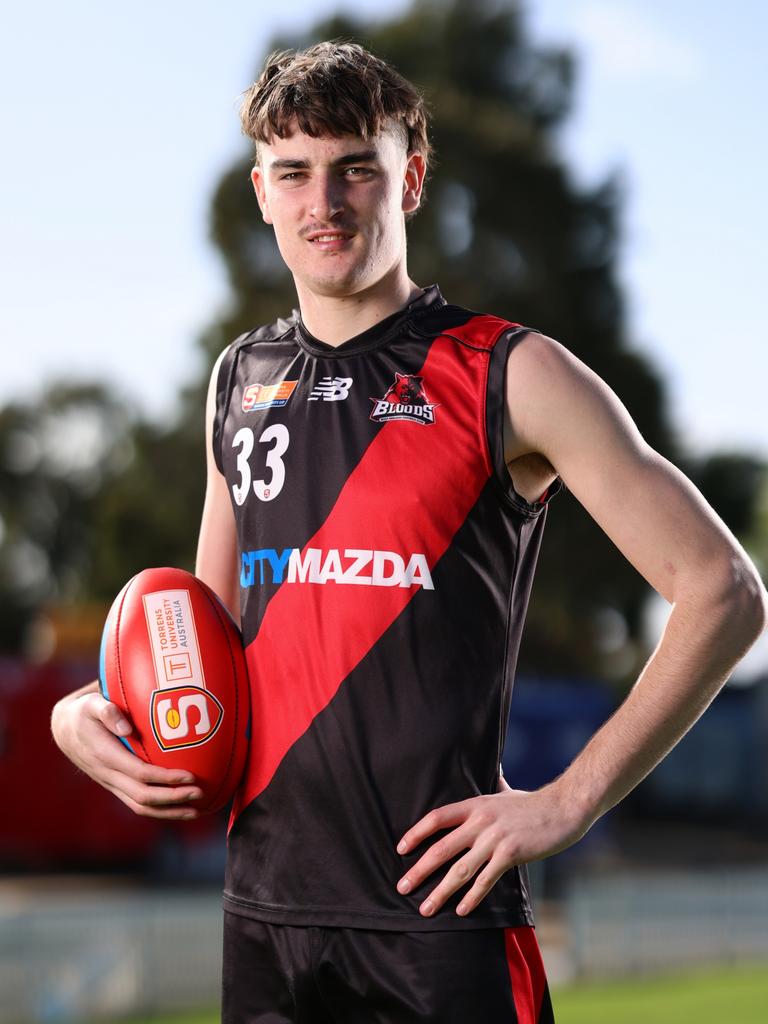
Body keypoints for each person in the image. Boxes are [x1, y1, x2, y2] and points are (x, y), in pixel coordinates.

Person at [51, 40, 767, 1024]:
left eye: (356, 167)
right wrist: (82, 710)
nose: (324, 203)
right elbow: (207, 637)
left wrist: (569, 798)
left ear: (411, 178)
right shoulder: (240, 378)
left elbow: (723, 590)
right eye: (294, 173)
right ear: (263, 192)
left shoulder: (512, 373)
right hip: (268, 918)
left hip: (443, 923)